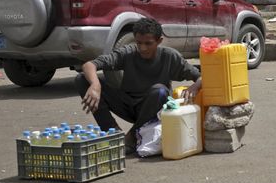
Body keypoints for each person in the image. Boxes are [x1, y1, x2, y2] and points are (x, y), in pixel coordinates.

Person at [75, 17, 202, 154]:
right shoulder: (128, 52)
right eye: (139, 43)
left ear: (159, 41)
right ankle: (113, 133)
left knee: (159, 91)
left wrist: (194, 86)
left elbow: (201, 77)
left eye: (148, 43)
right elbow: (90, 65)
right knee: (81, 79)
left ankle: (132, 136)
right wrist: (95, 85)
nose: (142, 48)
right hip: (128, 105)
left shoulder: (170, 56)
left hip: (154, 109)